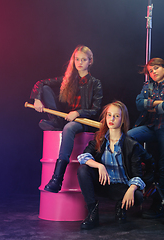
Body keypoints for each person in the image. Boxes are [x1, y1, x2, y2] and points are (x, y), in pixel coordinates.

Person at [30, 45, 103, 193]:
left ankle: (57, 179)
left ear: (90, 61)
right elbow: (40, 83)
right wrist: (37, 99)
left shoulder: (95, 83)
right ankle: (55, 123)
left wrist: (78, 113)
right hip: (64, 118)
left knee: (69, 128)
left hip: (82, 122)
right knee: (45, 89)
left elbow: (95, 109)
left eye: (84, 59)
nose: (80, 62)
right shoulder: (68, 80)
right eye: (77, 59)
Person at [76, 101, 153, 230]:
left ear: (122, 120)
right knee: (83, 170)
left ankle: (121, 207)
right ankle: (92, 213)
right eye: (109, 115)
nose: (111, 119)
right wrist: (99, 166)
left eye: (116, 116)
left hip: (120, 188)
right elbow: (83, 157)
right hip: (103, 184)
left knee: (137, 196)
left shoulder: (131, 144)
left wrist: (132, 188)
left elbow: (137, 173)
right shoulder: (99, 139)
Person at [127, 58, 164, 219]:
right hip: (151, 127)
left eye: (156, 68)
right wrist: (160, 104)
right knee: (130, 136)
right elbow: (138, 103)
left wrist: (151, 106)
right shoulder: (147, 86)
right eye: (150, 71)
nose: (153, 73)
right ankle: (147, 163)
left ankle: (158, 203)